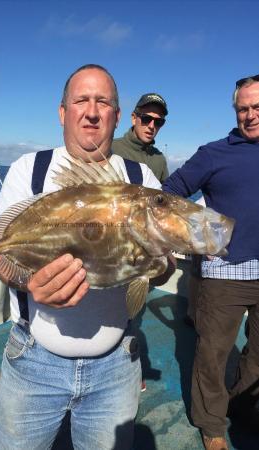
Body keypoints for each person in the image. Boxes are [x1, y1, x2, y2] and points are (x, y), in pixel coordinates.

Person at [0, 64, 172, 450]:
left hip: (116, 365)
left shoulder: (141, 181)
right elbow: (2, 256)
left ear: (117, 115)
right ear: (63, 112)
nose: (92, 111)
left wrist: (160, 264)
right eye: (81, 100)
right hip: (33, 362)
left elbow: (161, 265)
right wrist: (28, 281)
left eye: (103, 102)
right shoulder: (30, 170)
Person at [162, 75, 259, 450]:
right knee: (212, 354)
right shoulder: (214, 153)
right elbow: (169, 194)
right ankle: (212, 423)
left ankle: (244, 408)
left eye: (256, 108)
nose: (250, 115)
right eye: (243, 109)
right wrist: (204, 234)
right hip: (226, 274)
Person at [112, 92, 169, 182]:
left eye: (159, 122)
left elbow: (165, 194)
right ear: (134, 118)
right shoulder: (110, 149)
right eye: (146, 119)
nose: (151, 126)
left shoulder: (160, 160)